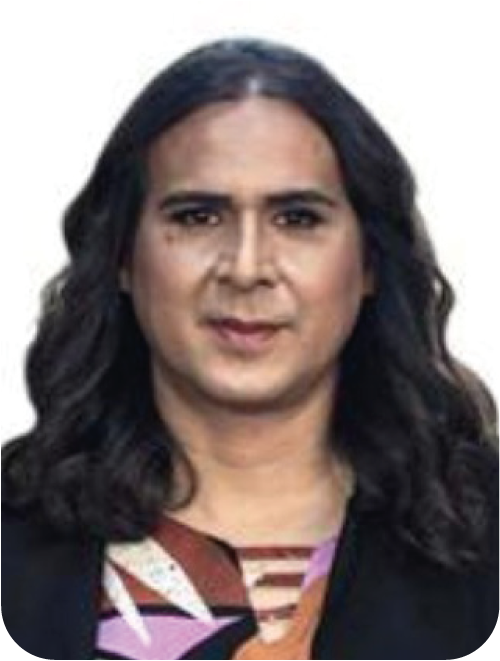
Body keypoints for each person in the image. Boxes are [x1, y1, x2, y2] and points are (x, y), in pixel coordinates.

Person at [1, 36, 498, 660]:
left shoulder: (485, 531)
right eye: (197, 216)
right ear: (122, 254)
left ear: (370, 261)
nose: (245, 267)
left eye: (297, 218)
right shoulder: (13, 533)